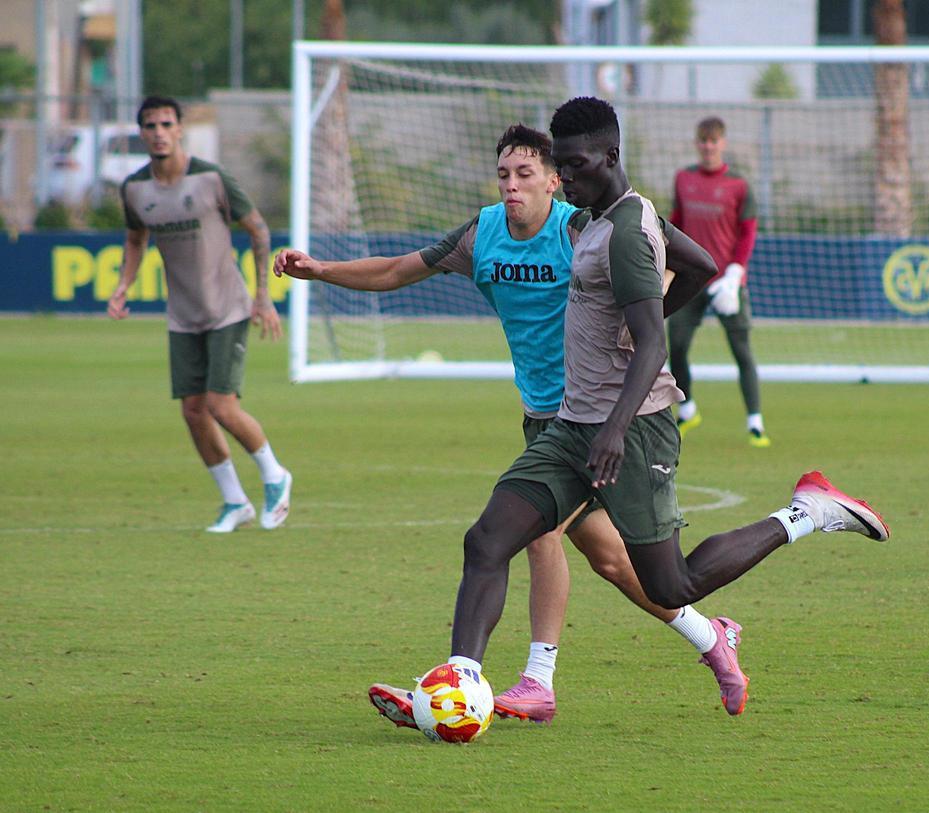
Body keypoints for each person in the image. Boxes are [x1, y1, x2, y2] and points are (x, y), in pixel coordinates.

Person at [372, 97, 890, 730]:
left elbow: (653, 342)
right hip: (571, 426)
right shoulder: (594, 221)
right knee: (487, 539)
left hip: (635, 430)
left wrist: (616, 427)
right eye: (560, 165)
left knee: (671, 584)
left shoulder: (622, 232)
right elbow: (699, 267)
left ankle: (805, 513)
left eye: (578, 163)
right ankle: (460, 681)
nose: (570, 176)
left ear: (611, 157)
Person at [274, 124, 752, 720]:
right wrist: (320, 271)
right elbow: (398, 270)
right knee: (614, 563)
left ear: (557, 180)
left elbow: (687, 258)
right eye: (504, 175)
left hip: (600, 418)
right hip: (543, 416)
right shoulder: (483, 234)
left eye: (526, 174)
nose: (512, 186)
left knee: (532, 535)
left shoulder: (585, 227)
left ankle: (527, 681)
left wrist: (643, 323)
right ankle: (713, 639)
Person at [107, 96, 292, 534]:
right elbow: (136, 239)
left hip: (227, 308)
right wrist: (122, 286)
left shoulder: (211, 178)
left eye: (166, 123)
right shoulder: (135, 188)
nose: (158, 131)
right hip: (182, 315)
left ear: (179, 129)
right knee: (193, 411)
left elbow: (258, 229)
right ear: (141, 133)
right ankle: (234, 501)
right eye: (149, 125)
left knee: (219, 405)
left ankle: (275, 475)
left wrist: (262, 297)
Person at [668, 116, 770, 447]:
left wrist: (736, 272)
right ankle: (688, 409)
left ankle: (755, 421)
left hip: (726, 280)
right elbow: (676, 224)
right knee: (677, 344)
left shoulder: (739, 185)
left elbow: (748, 232)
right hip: (692, 277)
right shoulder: (684, 178)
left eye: (713, 141)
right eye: (703, 141)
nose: (708, 147)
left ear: (722, 144)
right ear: (697, 144)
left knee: (741, 350)